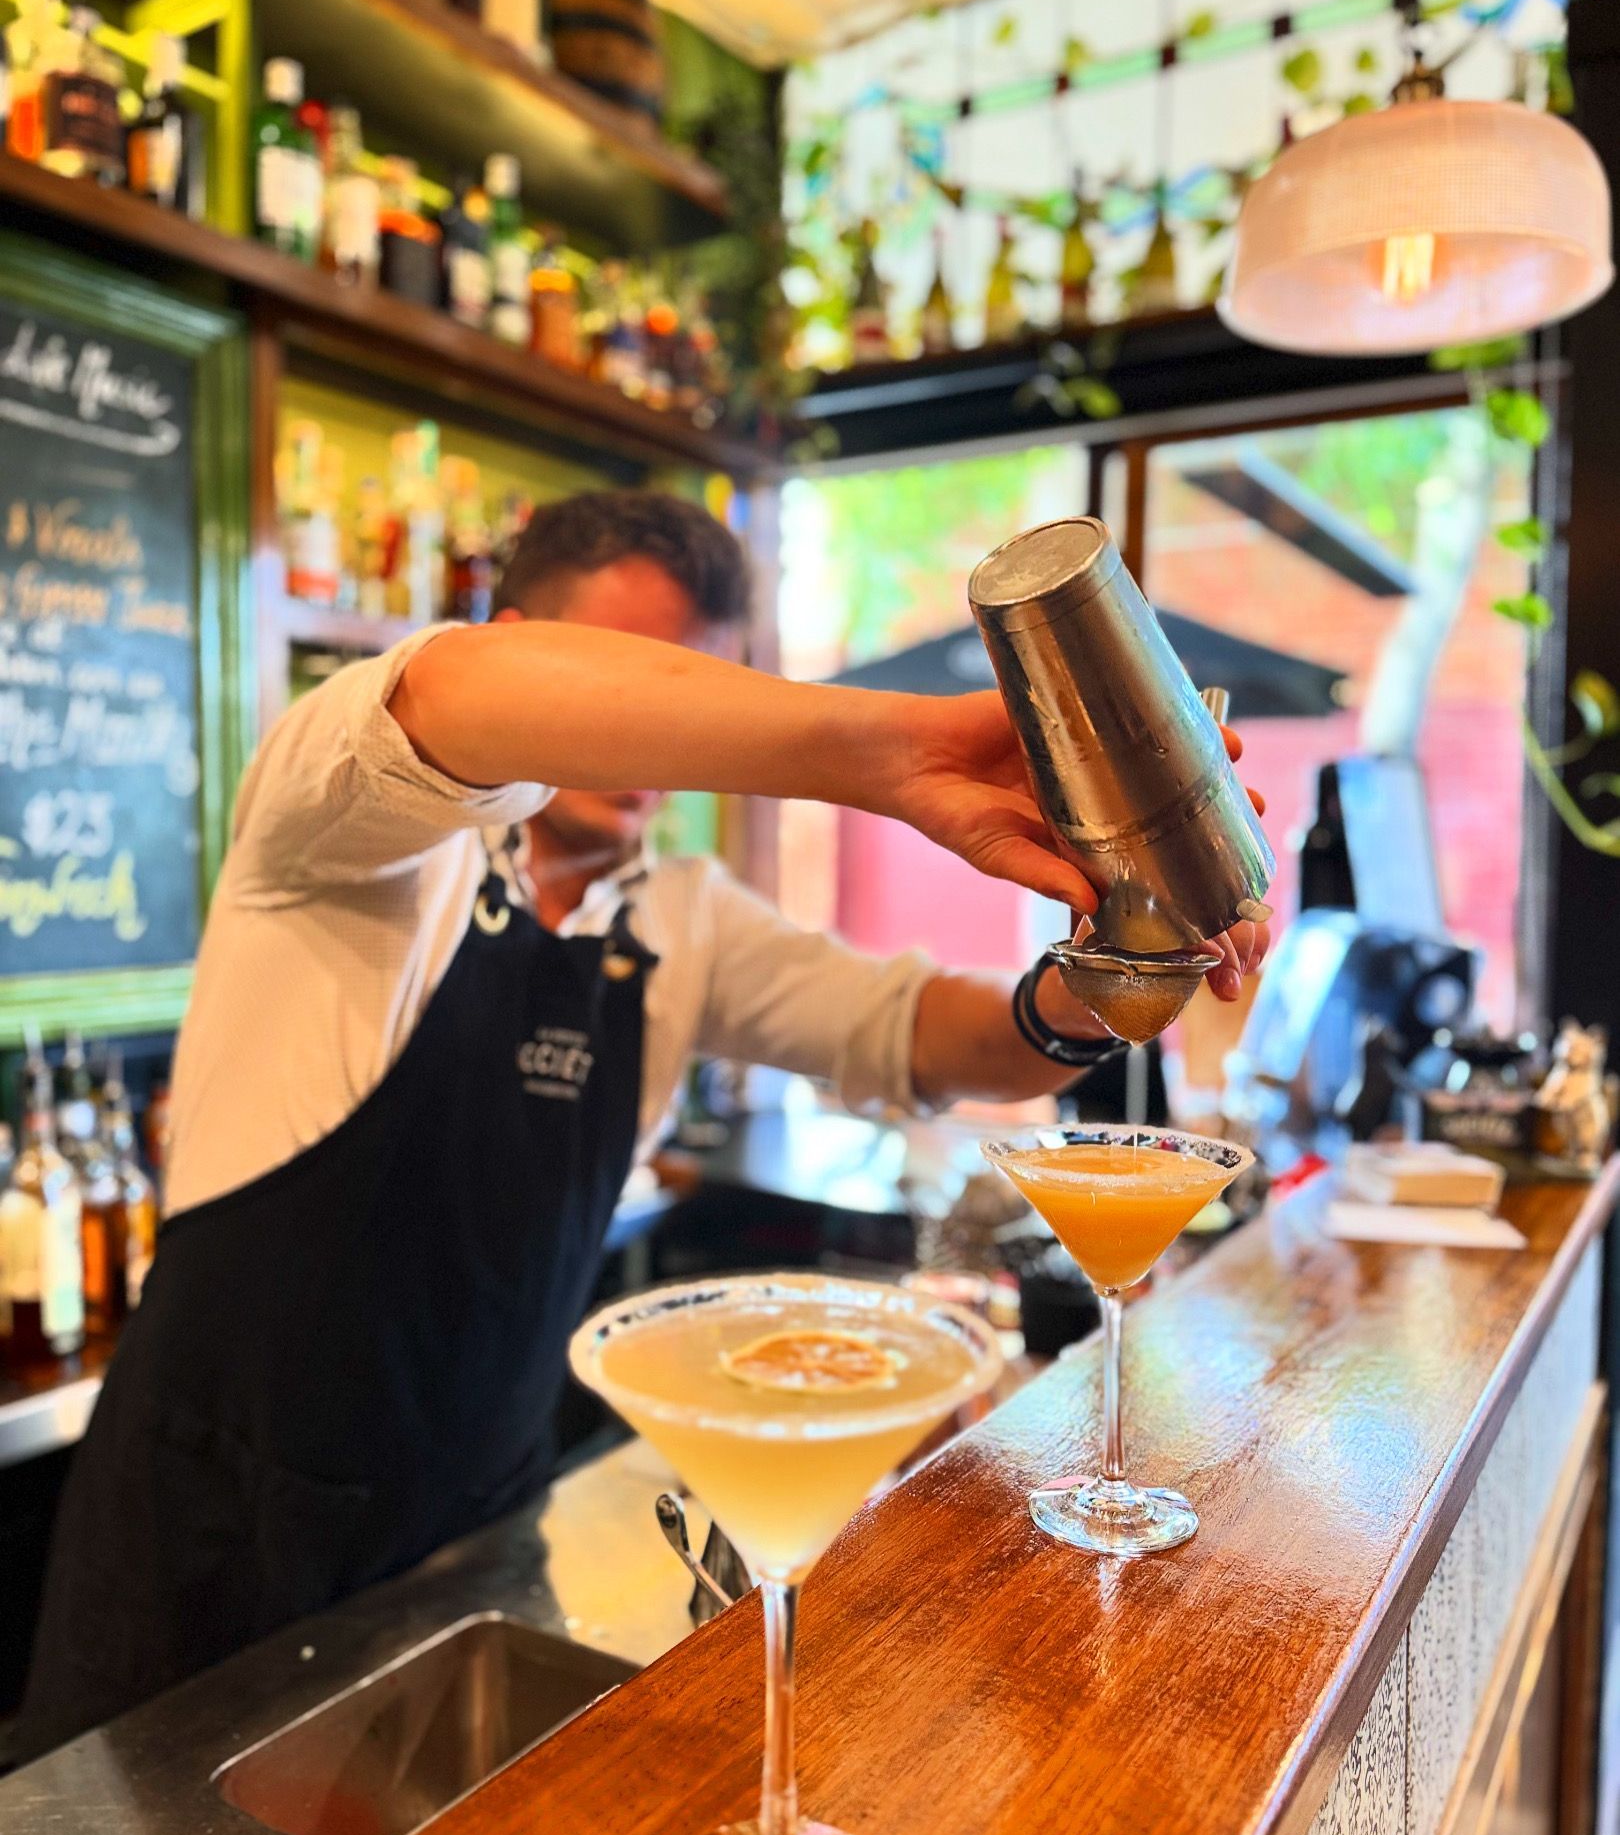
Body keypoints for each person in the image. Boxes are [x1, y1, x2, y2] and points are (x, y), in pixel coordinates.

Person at [17, 491, 1266, 1755]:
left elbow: (926, 1036)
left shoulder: (683, 917)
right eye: (639, 679)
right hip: (211, 1544)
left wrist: (1121, 963)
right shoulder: (341, 832)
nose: (671, 731)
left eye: (703, 689)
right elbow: (459, 694)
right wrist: (895, 754)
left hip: (474, 1545)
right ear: (526, 641)